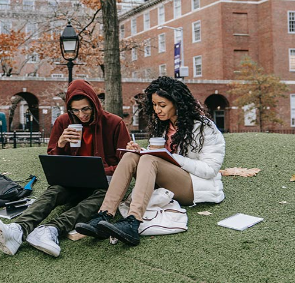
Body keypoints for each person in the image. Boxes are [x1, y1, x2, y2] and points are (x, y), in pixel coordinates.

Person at [0, 79, 130, 257]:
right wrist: (61, 144)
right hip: (72, 181)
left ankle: (51, 229)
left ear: (95, 103)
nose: (82, 115)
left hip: (103, 183)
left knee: (104, 196)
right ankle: (17, 229)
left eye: (86, 108)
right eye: (75, 110)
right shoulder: (63, 122)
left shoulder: (114, 123)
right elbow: (53, 160)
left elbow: (126, 164)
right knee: (54, 191)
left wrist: (102, 171)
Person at [75, 76, 225, 246]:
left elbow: (210, 169)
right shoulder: (163, 125)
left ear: (177, 103)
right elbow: (158, 159)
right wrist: (140, 151)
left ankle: (133, 221)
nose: (157, 110)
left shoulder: (204, 127)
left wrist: (171, 158)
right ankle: (104, 215)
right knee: (131, 156)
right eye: (154, 105)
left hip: (194, 185)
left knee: (149, 160)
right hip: (166, 181)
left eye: (162, 105)